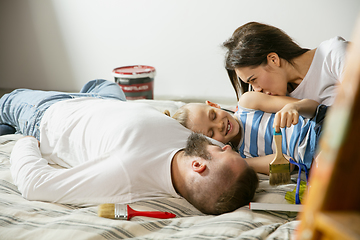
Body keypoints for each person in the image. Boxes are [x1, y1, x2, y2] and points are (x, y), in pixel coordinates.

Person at [1, 79, 258, 215]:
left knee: (7, 100)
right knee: (103, 84)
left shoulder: (125, 173)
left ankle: (12, 128)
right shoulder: (195, 148)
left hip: (47, 113)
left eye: (223, 152)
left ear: (198, 166)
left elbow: (37, 185)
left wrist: (26, 145)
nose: (225, 146)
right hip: (103, 101)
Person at [172, 96, 327, 175]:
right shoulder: (243, 157)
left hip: (320, 127)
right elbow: (288, 165)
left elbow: (314, 106)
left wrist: (293, 107)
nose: (220, 125)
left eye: (213, 116)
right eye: (211, 133)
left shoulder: (248, 104)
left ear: (213, 105)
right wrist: (236, 162)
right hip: (313, 159)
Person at [223, 21, 348, 108]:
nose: (257, 90)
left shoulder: (333, 53)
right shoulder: (282, 100)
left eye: (254, 80)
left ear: (273, 59)